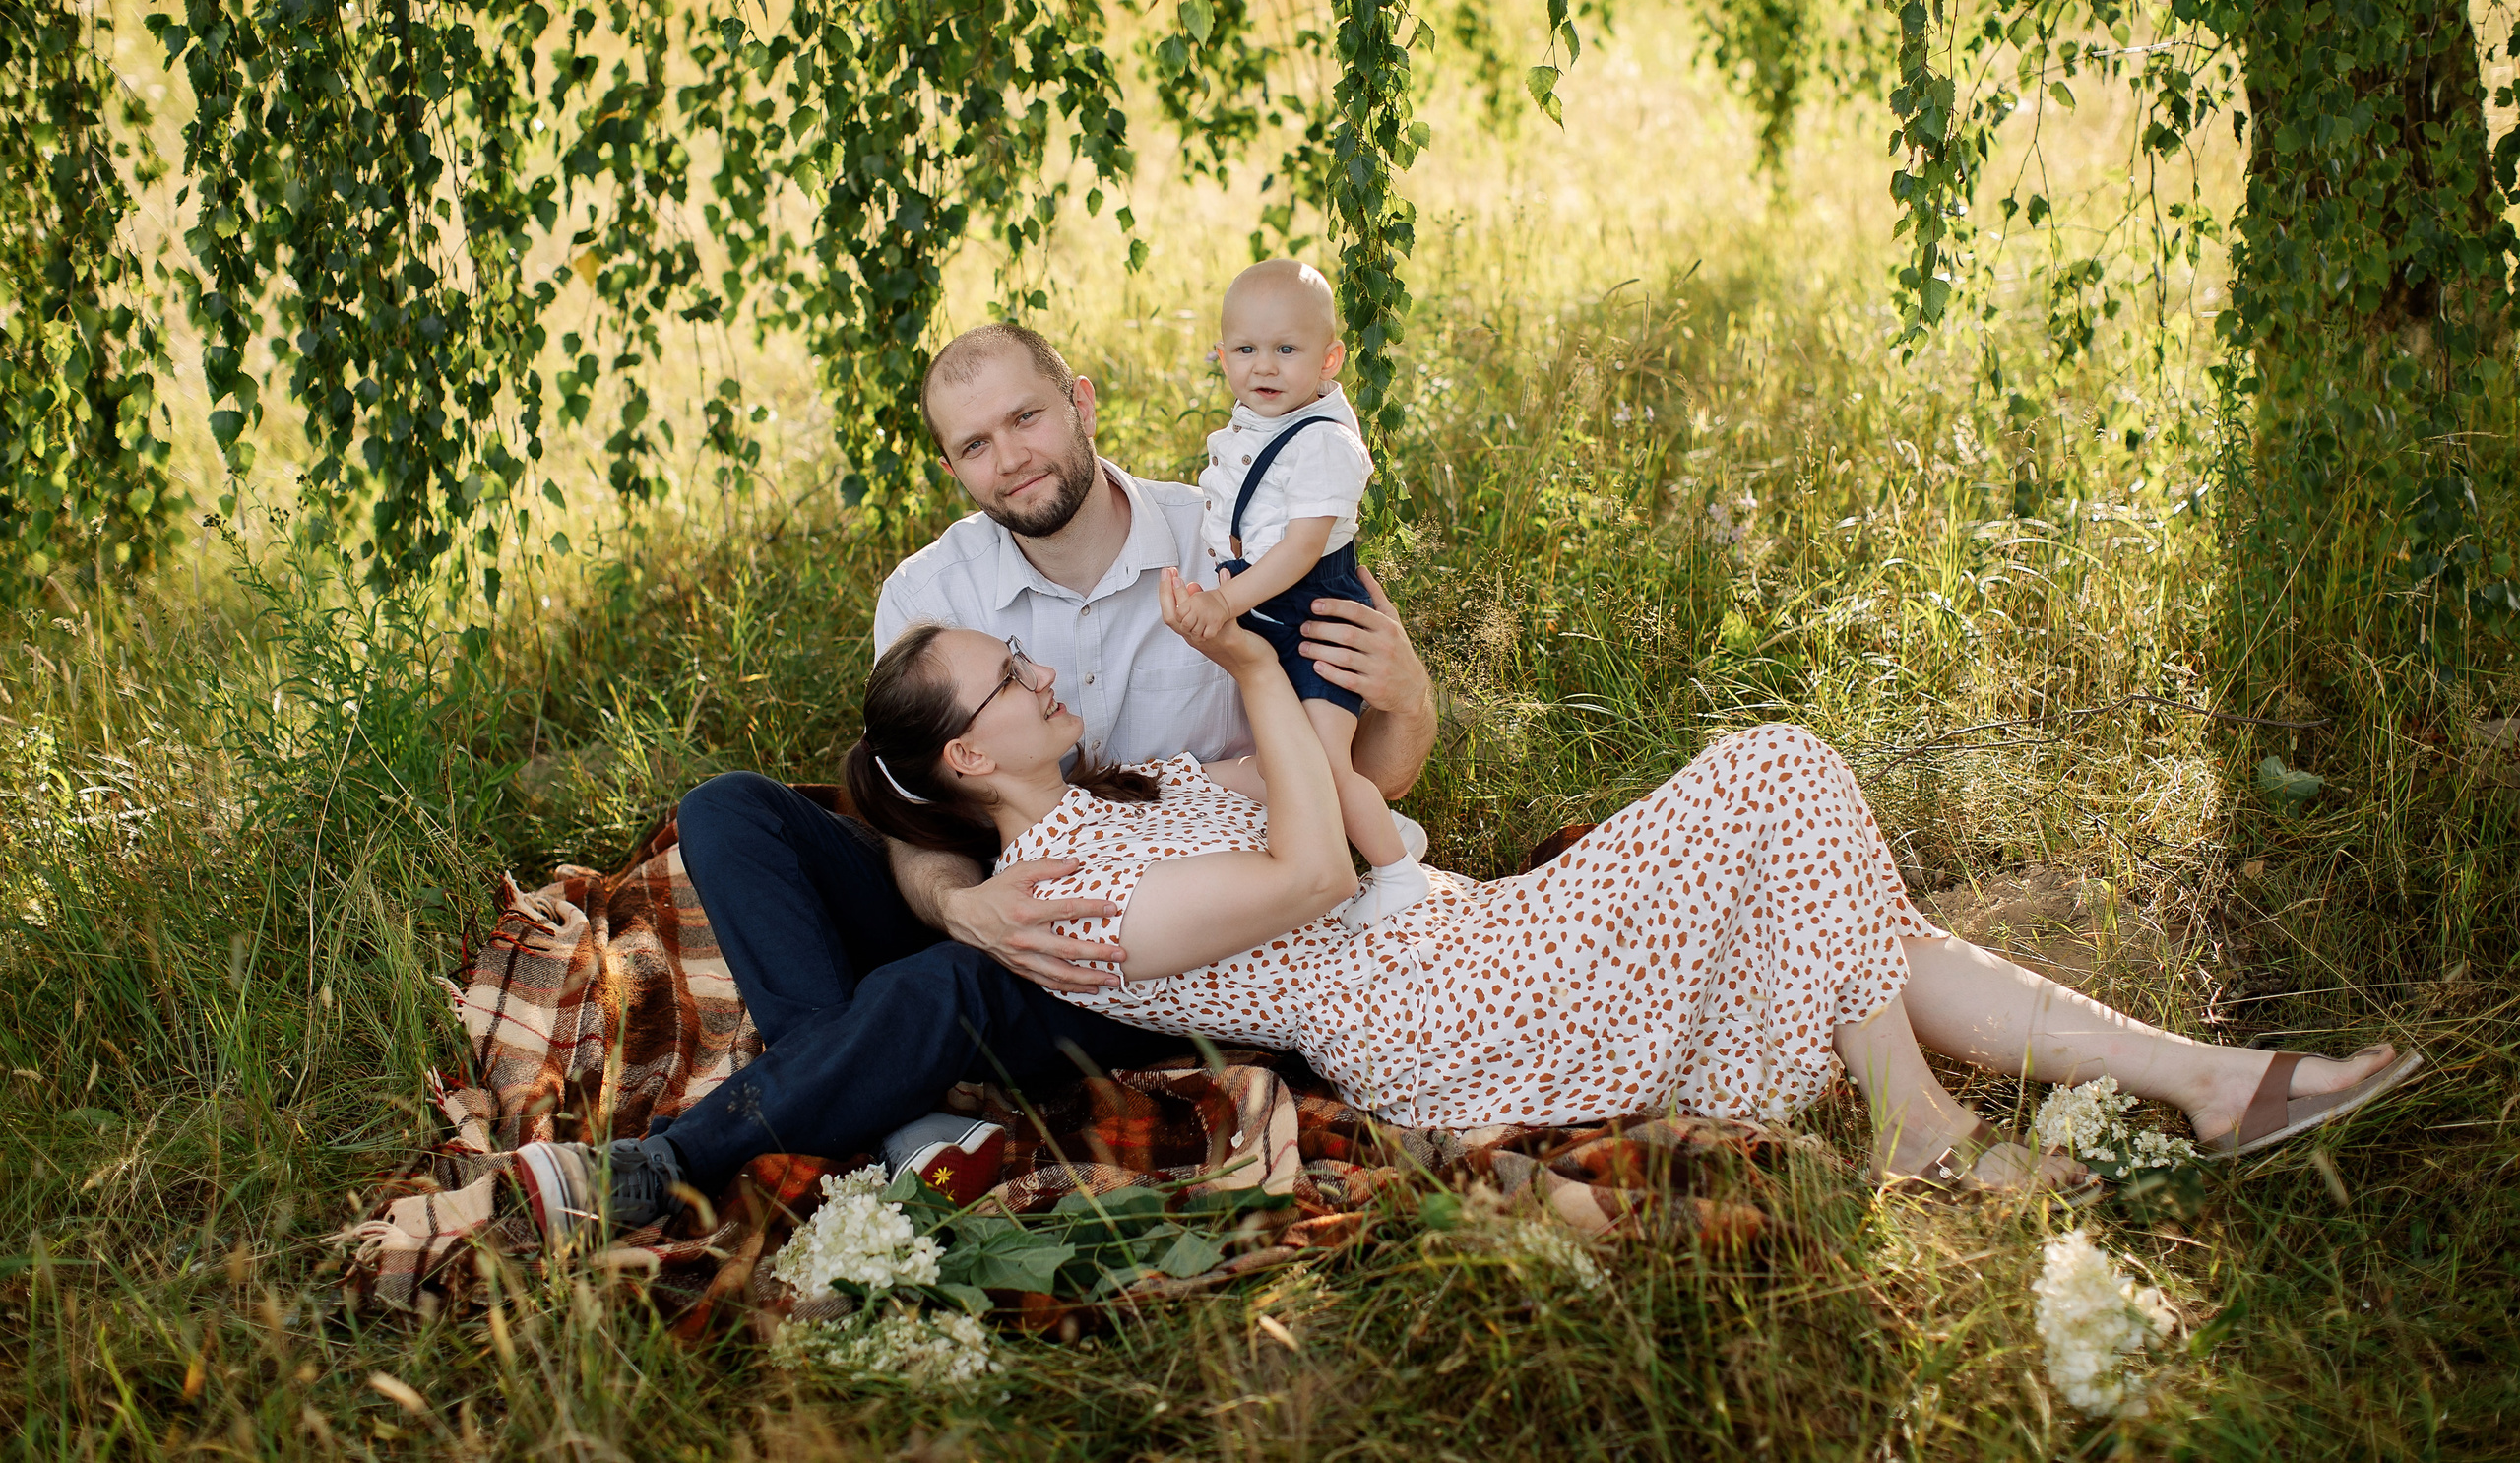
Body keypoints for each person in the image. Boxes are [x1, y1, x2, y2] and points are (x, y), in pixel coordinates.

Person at [844, 589, 2423, 1196]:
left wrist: (1348, 698)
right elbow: (1319, 860)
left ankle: (2214, 1082)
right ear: (972, 753)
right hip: (1447, 1019)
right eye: (1010, 673)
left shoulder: (1135, 790)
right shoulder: (1059, 903)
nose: (1048, 668)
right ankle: (1924, 1134)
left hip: (1461, 933)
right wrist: (1252, 670)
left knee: (1852, 916)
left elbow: (1364, 812)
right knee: (1781, 769)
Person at [510, 322, 1441, 1240]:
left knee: (945, 986)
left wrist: (1407, 697)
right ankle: (887, 1118)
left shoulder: (1235, 547)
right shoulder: (927, 592)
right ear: (954, 467)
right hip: (999, 885)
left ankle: (724, 1144)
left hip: (1154, 937)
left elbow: (1358, 781)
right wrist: (966, 906)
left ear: (1081, 403)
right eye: (975, 444)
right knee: (729, 810)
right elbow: (917, 816)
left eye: (1026, 418)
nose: (1011, 458)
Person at [1170, 258, 1430, 927]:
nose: (1265, 367)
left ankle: (1397, 874)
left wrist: (1224, 603)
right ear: (1220, 355)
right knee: (1288, 762)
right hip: (1272, 612)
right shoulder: (1256, 425)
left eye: (1287, 349)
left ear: (1329, 359)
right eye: (1246, 350)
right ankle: (1388, 832)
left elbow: (1298, 549)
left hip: (1313, 610)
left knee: (1314, 764)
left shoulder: (1323, 443)